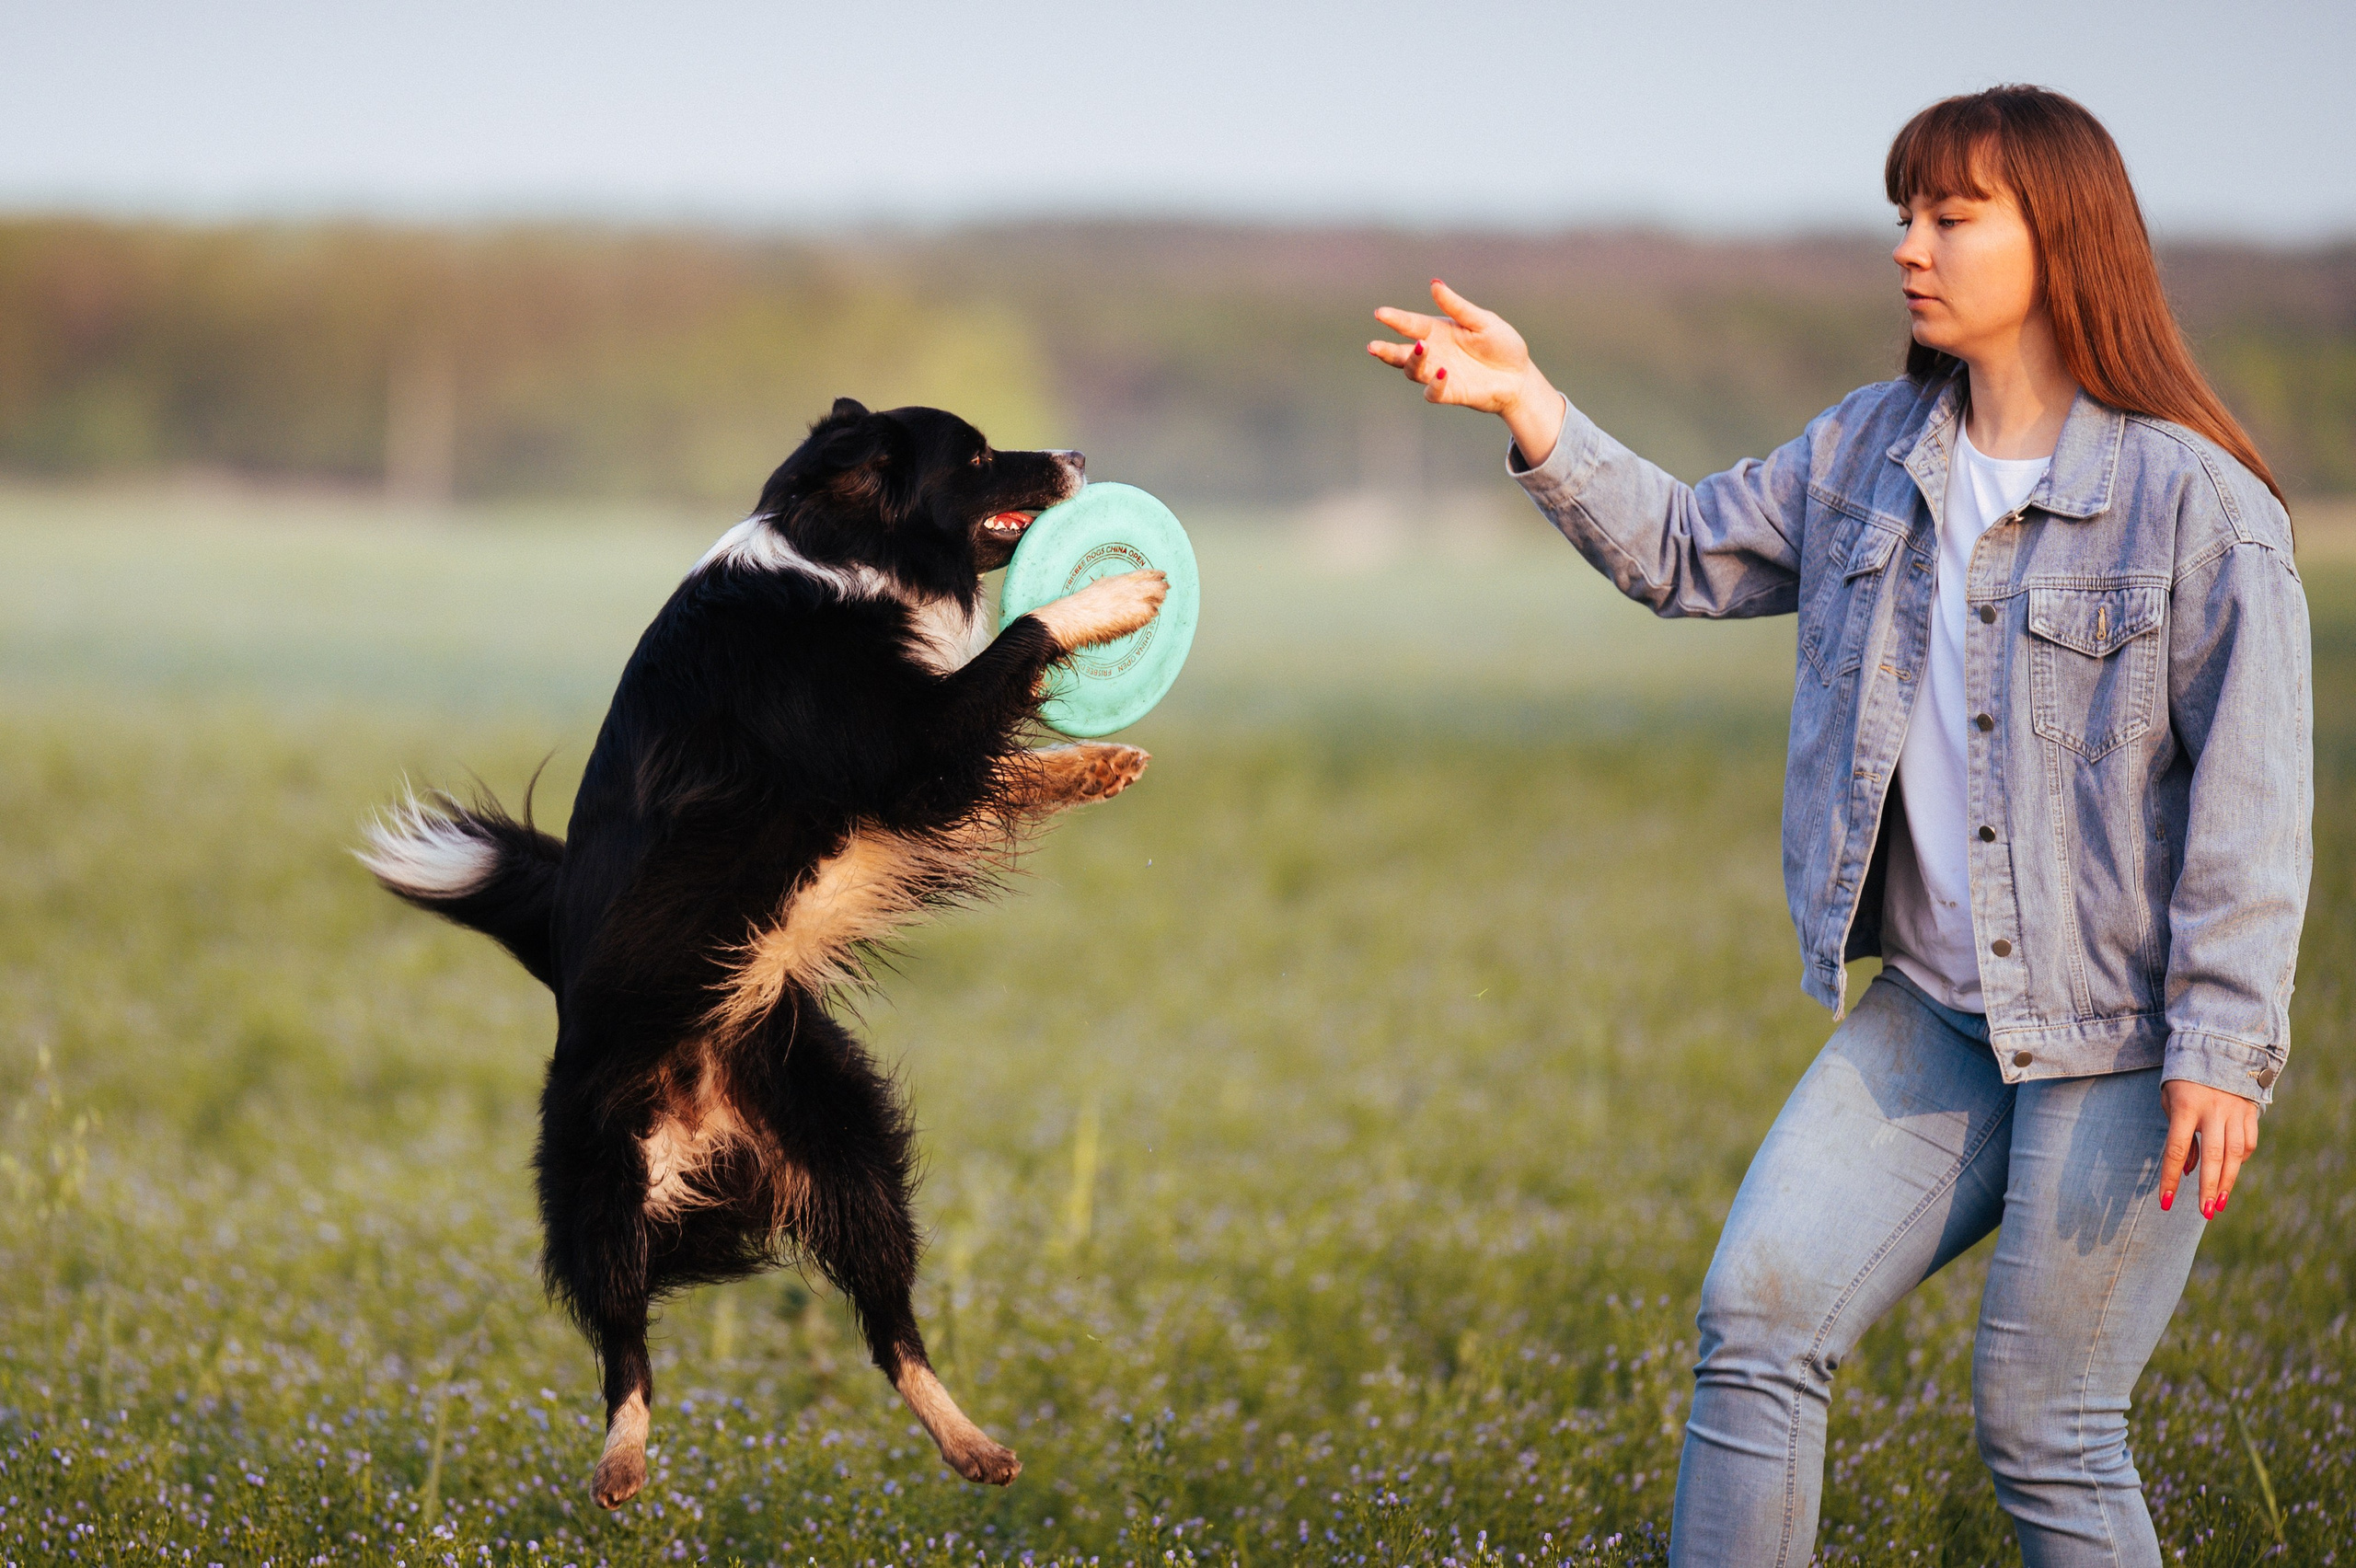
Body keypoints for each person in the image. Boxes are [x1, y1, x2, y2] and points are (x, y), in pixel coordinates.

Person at [1368, 86, 2308, 1568]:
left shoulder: (2195, 506)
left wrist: (2224, 1050)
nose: (1909, 249)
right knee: (1757, 1321)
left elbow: (2256, 806)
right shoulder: (1869, 450)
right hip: (1934, 1016)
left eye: (1950, 218)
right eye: (1903, 218)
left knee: (2048, 1421)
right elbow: (1685, 552)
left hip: (2124, 1039)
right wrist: (1530, 407)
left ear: (2059, 240)